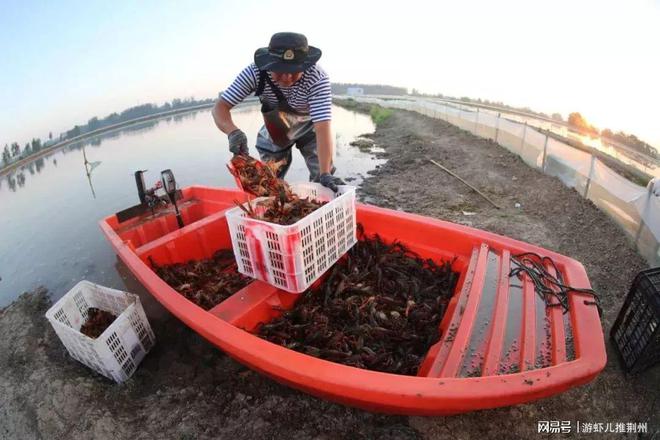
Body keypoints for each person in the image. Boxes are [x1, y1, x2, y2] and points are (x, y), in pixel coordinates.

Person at [212, 32, 343, 191]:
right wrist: (233, 132)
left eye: (295, 70)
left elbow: (322, 126)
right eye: (280, 70)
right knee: (269, 182)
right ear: (269, 63)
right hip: (275, 129)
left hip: (311, 127)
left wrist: (325, 173)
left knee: (323, 179)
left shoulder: (317, 77)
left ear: (305, 64)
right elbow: (220, 107)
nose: (287, 77)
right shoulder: (255, 73)